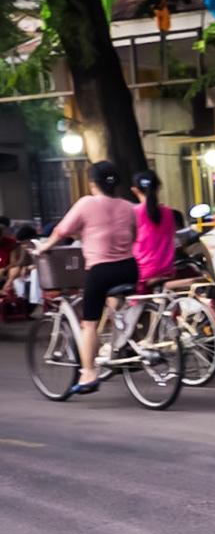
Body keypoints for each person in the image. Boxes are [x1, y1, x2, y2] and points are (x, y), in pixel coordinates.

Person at [41, 161, 139, 397]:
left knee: (89, 324)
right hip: (128, 267)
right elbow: (132, 234)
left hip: (101, 270)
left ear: (92, 183)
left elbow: (61, 230)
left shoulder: (87, 202)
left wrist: (44, 247)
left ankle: (88, 373)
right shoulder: (128, 206)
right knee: (117, 309)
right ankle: (119, 346)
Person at [131, 170, 182, 290]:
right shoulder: (169, 212)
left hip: (142, 274)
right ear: (158, 188)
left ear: (135, 190)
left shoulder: (134, 213)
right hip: (167, 270)